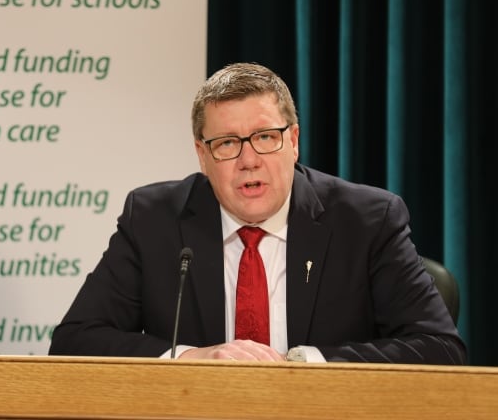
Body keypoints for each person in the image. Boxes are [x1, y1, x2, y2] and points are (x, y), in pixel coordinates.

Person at [48, 62, 466, 364]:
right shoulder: (154, 219)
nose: (249, 160)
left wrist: (303, 364)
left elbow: (439, 348)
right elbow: (75, 340)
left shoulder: (367, 220)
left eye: (266, 137)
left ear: (294, 140)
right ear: (202, 155)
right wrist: (189, 356)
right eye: (227, 143)